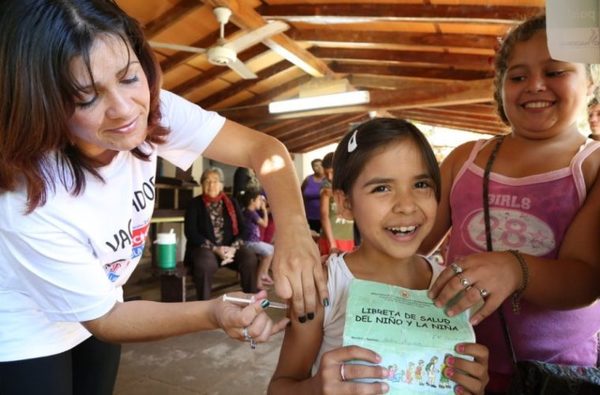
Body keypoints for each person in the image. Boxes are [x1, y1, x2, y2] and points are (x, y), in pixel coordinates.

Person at [0, 1, 327, 393]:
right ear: (43, 104)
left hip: (104, 295)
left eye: (128, 77)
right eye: (87, 97)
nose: (124, 110)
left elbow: (264, 150)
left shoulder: (155, 111)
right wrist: (212, 311)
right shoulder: (28, 197)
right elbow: (106, 319)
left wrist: (291, 230)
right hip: (24, 324)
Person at [419, 14, 600, 393]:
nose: (535, 85)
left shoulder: (592, 165)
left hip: (555, 372)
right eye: (517, 76)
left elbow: (586, 278)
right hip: (459, 359)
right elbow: (413, 243)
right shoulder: (464, 159)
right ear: (500, 87)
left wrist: (514, 269)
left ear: (591, 83)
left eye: (555, 72)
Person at [269, 118, 489, 395]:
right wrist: (315, 389)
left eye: (421, 184)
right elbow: (280, 386)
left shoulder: (450, 287)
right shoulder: (325, 286)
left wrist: (472, 382)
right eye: (382, 188)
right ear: (345, 204)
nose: (407, 206)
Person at [184, 167, 259, 300]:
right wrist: (215, 248)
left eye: (215, 181)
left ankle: (251, 300)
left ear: (221, 185)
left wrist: (233, 248)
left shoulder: (232, 203)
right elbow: (191, 233)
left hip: (229, 248)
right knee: (205, 264)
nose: (211, 185)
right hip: (205, 249)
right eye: (207, 181)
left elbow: (243, 229)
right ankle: (203, 304)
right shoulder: (194, 204)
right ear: (202, 184)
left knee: (249, 258)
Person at [238, 187, 276, 290]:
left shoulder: (247, 211)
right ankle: (262, 275)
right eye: (259, 199)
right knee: (269, 252)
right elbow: (265, 224)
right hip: (250, 243)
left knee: (271, 249)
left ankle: (261, 277)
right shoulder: (251, 213)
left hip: (252, 242)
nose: (261, 202)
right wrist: (264, 210)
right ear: (252, 201)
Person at [318, 152, 355, 255]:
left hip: (349, 239)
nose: (329, 177)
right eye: (326, 174)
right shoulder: (326, 190)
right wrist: (332, 243)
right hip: (331, 239)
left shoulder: (352, 187)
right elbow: (324, 216)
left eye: (332, 172)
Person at [301, 158, 326, 234]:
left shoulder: (328, 179)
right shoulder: (308, 179)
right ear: (312, 168)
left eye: (320, 165)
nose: (318, 167)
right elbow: (300, 194)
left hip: (324, 216)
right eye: (315, 165)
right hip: (309, 215)